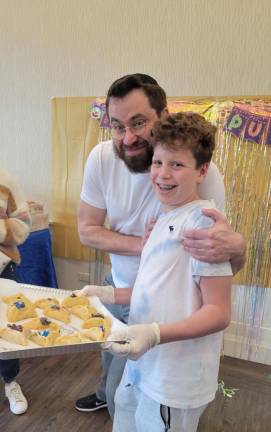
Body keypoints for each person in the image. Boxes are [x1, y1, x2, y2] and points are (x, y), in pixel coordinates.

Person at [75, 74, 245, 417]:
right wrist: (112, 286)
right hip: (125, 290)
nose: (129, 137)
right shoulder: (103, 159)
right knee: (120, 387)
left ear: (163, 115)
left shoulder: (201, 192)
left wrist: (237, 246)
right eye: (118, 127)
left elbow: (217, 266)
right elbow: (87, 230)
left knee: (150, 401)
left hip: (173, 331)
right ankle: (107, 392)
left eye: (139, 123)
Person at [0, 168, 31, 414]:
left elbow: (24, 223)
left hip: (2, 269)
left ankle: (11, 382)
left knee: (8, 330)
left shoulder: (6, 180)